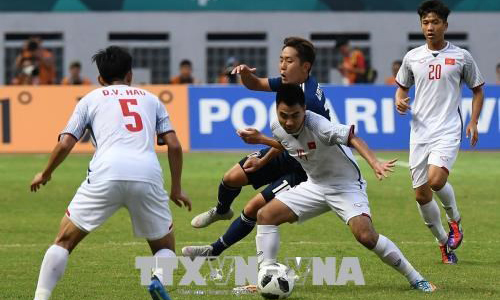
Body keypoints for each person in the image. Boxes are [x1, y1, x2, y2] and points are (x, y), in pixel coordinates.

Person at [30, 46, 191, 300]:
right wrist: (176, 188)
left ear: (100, 79)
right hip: (147, 175)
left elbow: (66, 143)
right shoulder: (152, 100)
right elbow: (173, 145)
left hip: (106, 172)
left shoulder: (91, 99)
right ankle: (158, 279)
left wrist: (45, 172)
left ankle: (41, 296)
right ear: (130, 75)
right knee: (165, 248)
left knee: (63, 241)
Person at [240, 84, 435, 292]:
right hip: (314, 185)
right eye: (283, 115)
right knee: (265, 215)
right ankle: (266, 277)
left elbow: (352, 138)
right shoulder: (277, 125)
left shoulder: (319, 126)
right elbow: (285, 142)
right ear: (277, 109)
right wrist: (261, 160)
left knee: (366, 236)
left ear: (304, 109)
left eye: (295, 115)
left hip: (345, 185)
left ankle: (416, 279)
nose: (288, 122)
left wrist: (375, 163)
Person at [182, 37, 330, 259]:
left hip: (304, 167)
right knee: (231, 177)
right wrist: (245, 74)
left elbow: (301, 147)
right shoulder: (291, 81)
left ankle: (213, 251)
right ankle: (222, 210)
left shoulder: (310, 101)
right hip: (287, 151)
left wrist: (261, 140)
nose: (282, 65)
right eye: (281, 59)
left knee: (253, 209)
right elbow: (256, 84)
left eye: (288, 61)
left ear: (305, 66)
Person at [395, 0, 484, 264]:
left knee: (435, 181)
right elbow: (401, 88)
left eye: (435, 22)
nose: (430, 27)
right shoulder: (412, 57)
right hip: (419, 132)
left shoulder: (461, 56)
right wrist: (399, 100)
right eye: (425, 23)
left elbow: (478, 89)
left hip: (447, 129)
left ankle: (455, 220)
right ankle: (443, 244)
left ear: (445, 25)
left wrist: (474, 121)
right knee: (421, 195)